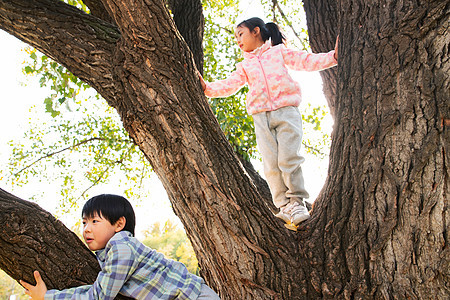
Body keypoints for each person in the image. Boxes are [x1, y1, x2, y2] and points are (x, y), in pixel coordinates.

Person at [199, 17, 338, 227]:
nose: (237, 40)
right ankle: (283, 206)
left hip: (286, 111)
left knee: (289, 158)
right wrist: (207, 88)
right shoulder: (245, 65)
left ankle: (297, 202)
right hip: (261, 116)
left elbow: (306, 60)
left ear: (256, 31)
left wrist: (333, 57)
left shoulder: (278, 52)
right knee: (271, 164)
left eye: (240, 34)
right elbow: (230, 84)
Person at [20, 194, 220, 300]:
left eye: (95, 222)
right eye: (84, 223)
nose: (87, 229)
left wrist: (48, 297)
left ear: (119, 224)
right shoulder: (110, 252)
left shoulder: (121, 248)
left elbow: (98, 296)